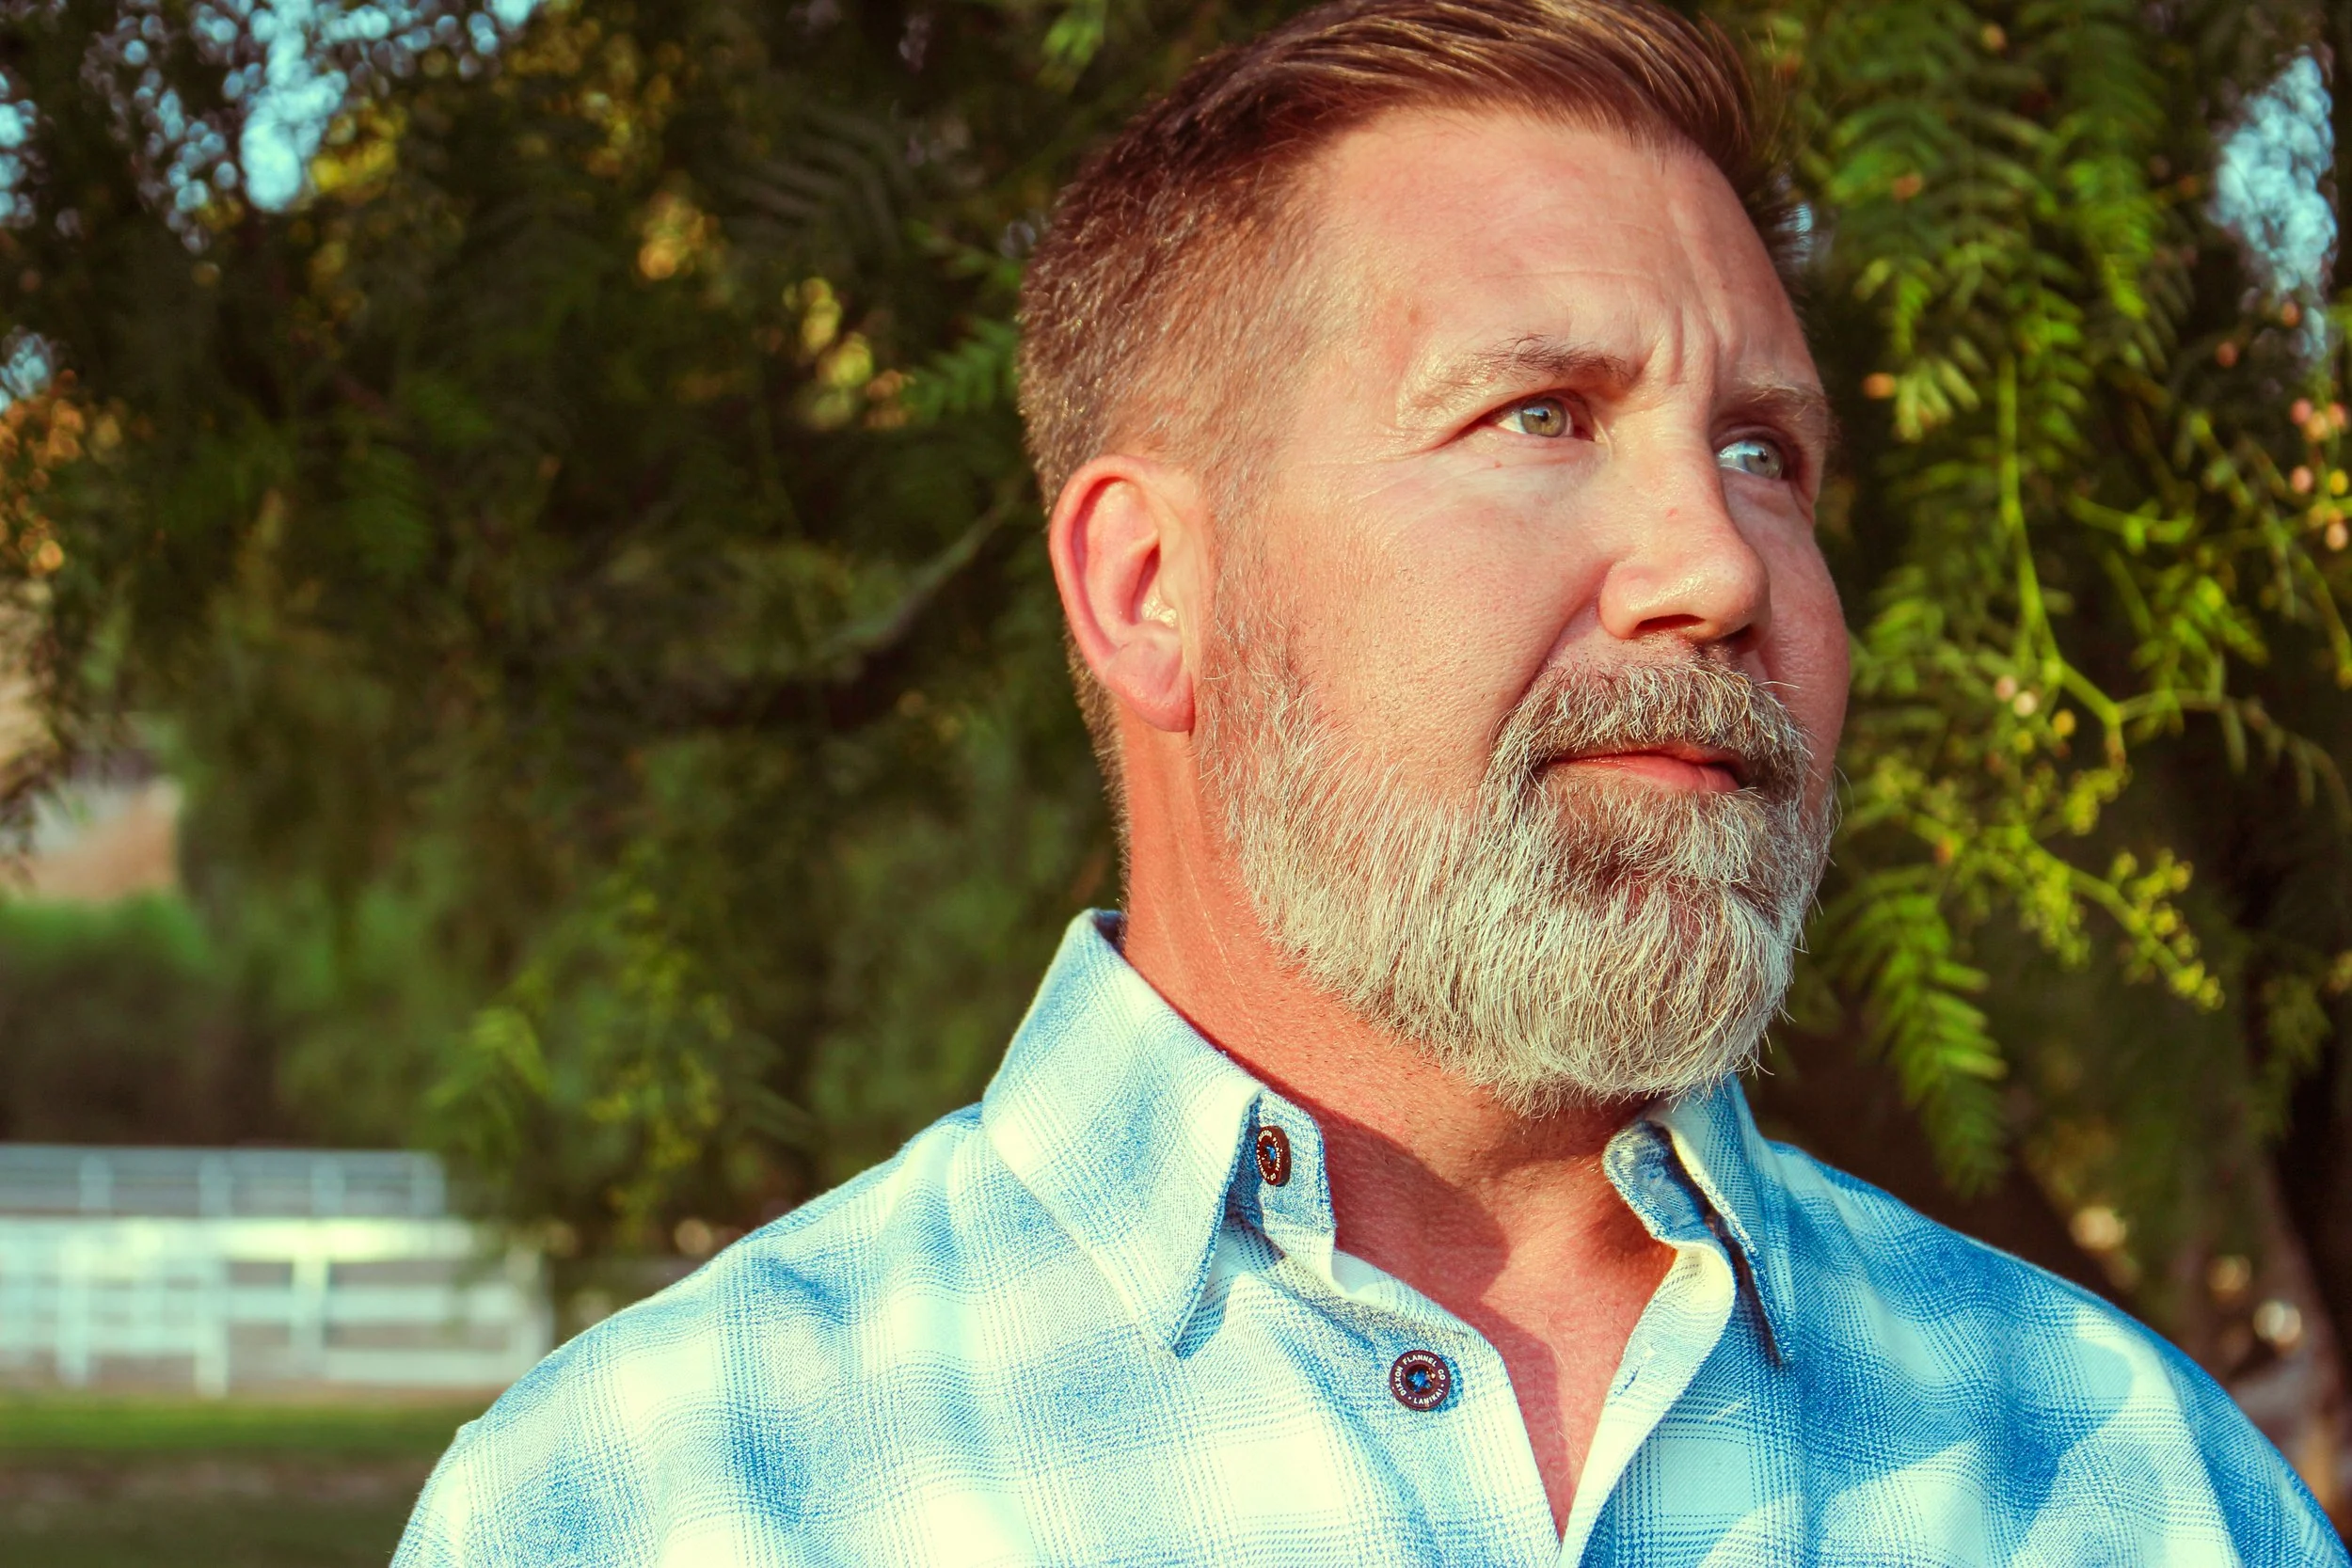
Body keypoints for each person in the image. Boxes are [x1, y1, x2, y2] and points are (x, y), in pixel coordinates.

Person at [394, 0, 2347, 1561]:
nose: (1719, 566)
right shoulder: (663, 1502)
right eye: (1537, 414)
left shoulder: (2126, 1483)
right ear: (1154, 588)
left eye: (1764, 451)